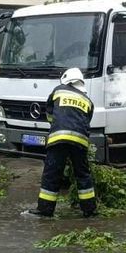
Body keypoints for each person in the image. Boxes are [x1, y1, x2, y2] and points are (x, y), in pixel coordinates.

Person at [22, 67, 97, 218]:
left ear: (66, 79)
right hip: (80, 142)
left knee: (52, 173)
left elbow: (49, 113)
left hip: (58, 139)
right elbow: (86, 122)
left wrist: (57, 124)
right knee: (83, 175)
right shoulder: (88, 101)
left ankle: (45, 210)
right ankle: (89, 210)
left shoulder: (58, 91)